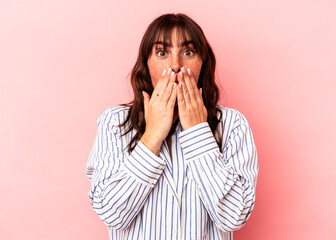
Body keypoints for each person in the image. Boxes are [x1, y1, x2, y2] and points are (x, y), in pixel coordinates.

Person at [86, 13, 258, 240]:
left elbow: (233, 217)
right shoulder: (115, 123)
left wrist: (198, 132)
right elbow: (112, 213)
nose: (176, 65)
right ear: (146, 64)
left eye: (188, 52)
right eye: (161, 52)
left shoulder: (233, 125)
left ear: (202, 64)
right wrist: (153, 135)